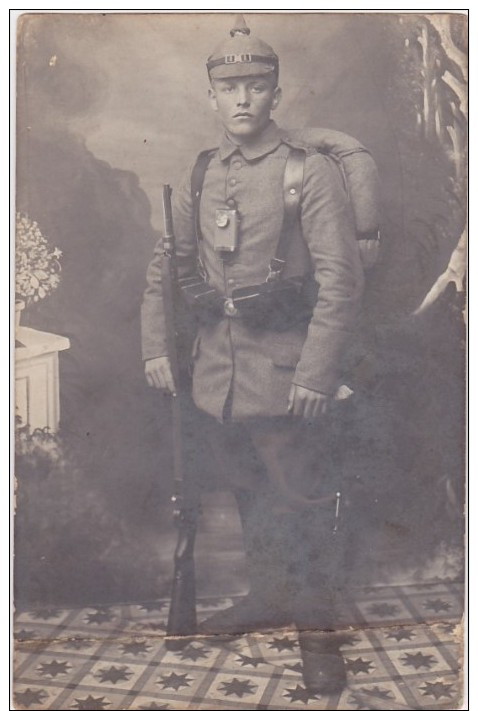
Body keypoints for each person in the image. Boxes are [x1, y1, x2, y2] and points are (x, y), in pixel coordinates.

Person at [142, 15, 365, 694]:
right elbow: (167, 263)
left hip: (287, 374)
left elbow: (340, 280)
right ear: (211, 97)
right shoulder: (205, 169)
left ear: (275, 93)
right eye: (228, 86)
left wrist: (318, 371)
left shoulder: (311, 171)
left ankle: (319, 642)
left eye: (255, 85)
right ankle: (266, 598)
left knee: (300, 507)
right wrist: (156, 345)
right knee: (248, 497)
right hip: (220, 377)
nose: (241, 98)